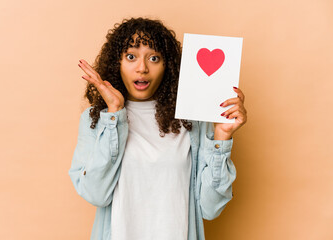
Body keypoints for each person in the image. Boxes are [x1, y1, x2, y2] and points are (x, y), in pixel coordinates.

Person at [69, 17, 247, 240]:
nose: (142, 68)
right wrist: (114, 113)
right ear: (118, 63)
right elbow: (96, 194)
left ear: (168, 66)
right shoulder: (97, 120)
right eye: (131, 56)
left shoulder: (191, 122)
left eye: (154, 58)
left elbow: (210, 209)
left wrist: (222, 136)